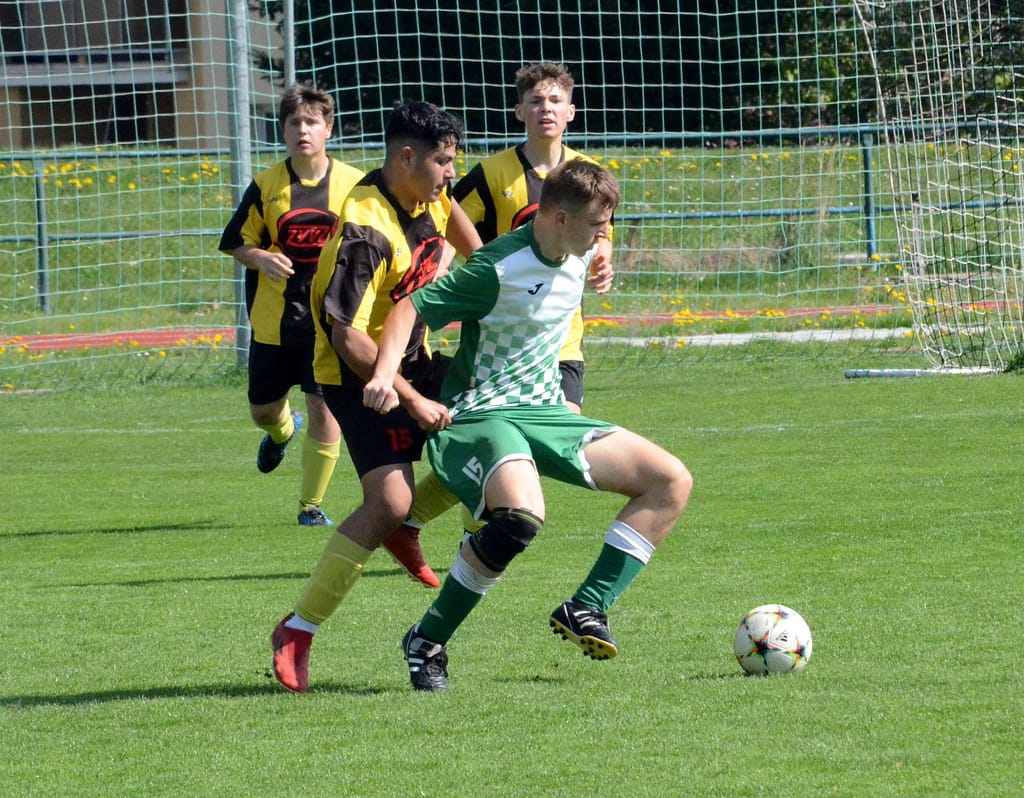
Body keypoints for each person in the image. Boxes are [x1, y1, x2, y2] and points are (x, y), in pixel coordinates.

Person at [363, 159, 693, 692]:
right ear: (558, 218)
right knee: (520, 517)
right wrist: (384, 375)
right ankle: (427, 640)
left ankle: (587, 607)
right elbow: (408, 309)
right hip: (482, 411)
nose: (604, 236)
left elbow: (593, 249)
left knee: (671, 481)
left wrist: (602, 253)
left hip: (545, 411)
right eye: (597, 225)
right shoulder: (498, 267)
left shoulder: (577, 251)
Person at [269, 99, 483, 693]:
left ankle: (408, 526)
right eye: (443, 162)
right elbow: (347, 336)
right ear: (406, 157)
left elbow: (463, 232)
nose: (451, 174)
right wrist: (410, 399)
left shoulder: (428, 191)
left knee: (497, 419)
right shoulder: (365, 231)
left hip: (412, 357)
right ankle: (296, 629)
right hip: (354, 372)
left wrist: (494, 273)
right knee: (386, 501)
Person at [384, 62, 616, 556]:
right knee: (516, 444)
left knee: (540, 441)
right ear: (519, 111)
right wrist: (445, 276)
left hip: (563, 337)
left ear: (571, 111)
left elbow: (602, 233)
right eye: (536, 101)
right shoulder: (492, 173)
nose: (546, 109)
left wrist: (605, 260)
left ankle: (430, 523)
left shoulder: (585, 172)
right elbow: (448, 219)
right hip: (506, 335)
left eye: (555, 101)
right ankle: (476, 533)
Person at [219, 84, 362, 528]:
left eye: (312, 122)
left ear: (328, 129)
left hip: (329, 322)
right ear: (282, 131)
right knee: (263, 411)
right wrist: (261, 257)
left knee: (325, 408)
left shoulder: (355, 185)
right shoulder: (266, 186)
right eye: (294, 122)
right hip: (273, 322)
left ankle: (310, 506)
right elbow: (236, 243)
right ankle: (283, 430)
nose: (303, 130)